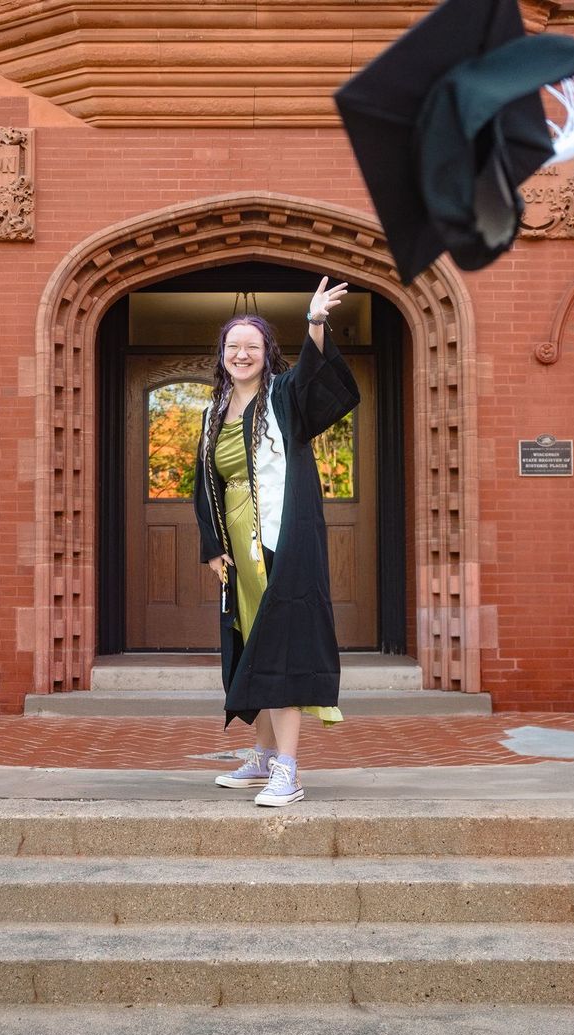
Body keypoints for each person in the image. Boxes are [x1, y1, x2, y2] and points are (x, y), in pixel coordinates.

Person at [192, 276, 360, 807]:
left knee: (283, 645)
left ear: (267, 354)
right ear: (222, 355)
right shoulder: (212, 415)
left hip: (283, 541)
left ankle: (288, 769)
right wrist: (213, 546)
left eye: (252, 346)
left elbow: (320, 382)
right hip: (239, 549)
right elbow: (206, 487)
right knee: (252, 644)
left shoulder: (283, 398)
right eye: (233, 346)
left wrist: (315, 322)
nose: (242, 354)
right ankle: (263, 757)